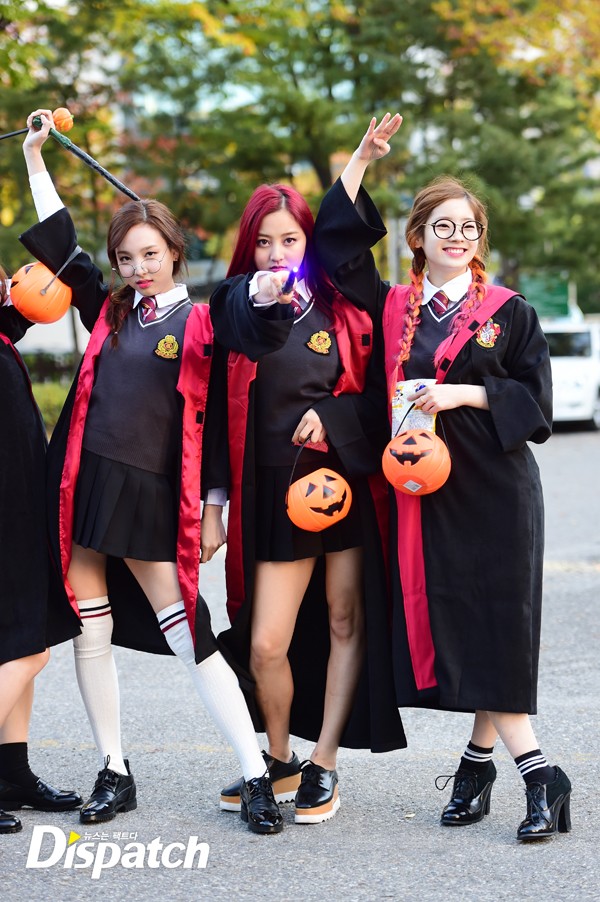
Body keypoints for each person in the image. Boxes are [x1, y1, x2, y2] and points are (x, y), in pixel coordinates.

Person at [19, 109, 282, 835]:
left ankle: (256, 774)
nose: (138, 268)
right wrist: (37, 158)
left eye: (150, 254)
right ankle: (114, 769)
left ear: (173, 251)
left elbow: (240, 358)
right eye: (126, 258)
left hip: (151, 495)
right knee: (91, 632)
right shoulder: (111, 312)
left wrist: (217, 503)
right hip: (84, 484)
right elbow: (61, 243)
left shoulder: (202, 321)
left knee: (190, 633)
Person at [313, 113, 572, 841]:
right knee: (467, 628)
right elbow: (336, 248)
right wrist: (361, 161)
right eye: (443, 227)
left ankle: (538, 775)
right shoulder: (391, 306)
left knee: (497, 628)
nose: (457, 237)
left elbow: (538, 406)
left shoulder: (509, 313)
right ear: (417, 237)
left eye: (469, 229)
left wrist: (462, 393)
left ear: (479, 241)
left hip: (497, 494)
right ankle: (478, 768)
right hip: (424, 497)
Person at [210, 183, 406, 824]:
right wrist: (214, 504)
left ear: (308, 243)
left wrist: (333, 414)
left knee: (346, 620)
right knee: (266, 644)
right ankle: (280, 757)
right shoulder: (237, 311)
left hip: (341, 485)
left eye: (290, 240)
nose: (277, 253)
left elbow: (381, 396)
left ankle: (324, 761)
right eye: (264, 242)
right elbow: (213, 415)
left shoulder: (343, 307)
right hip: (272, 494)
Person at [0, 264, 82, 834]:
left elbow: (29, 308)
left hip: (22, 516)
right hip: (6, 519)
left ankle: (12, 774)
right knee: (28, 652)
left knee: (21, 647)